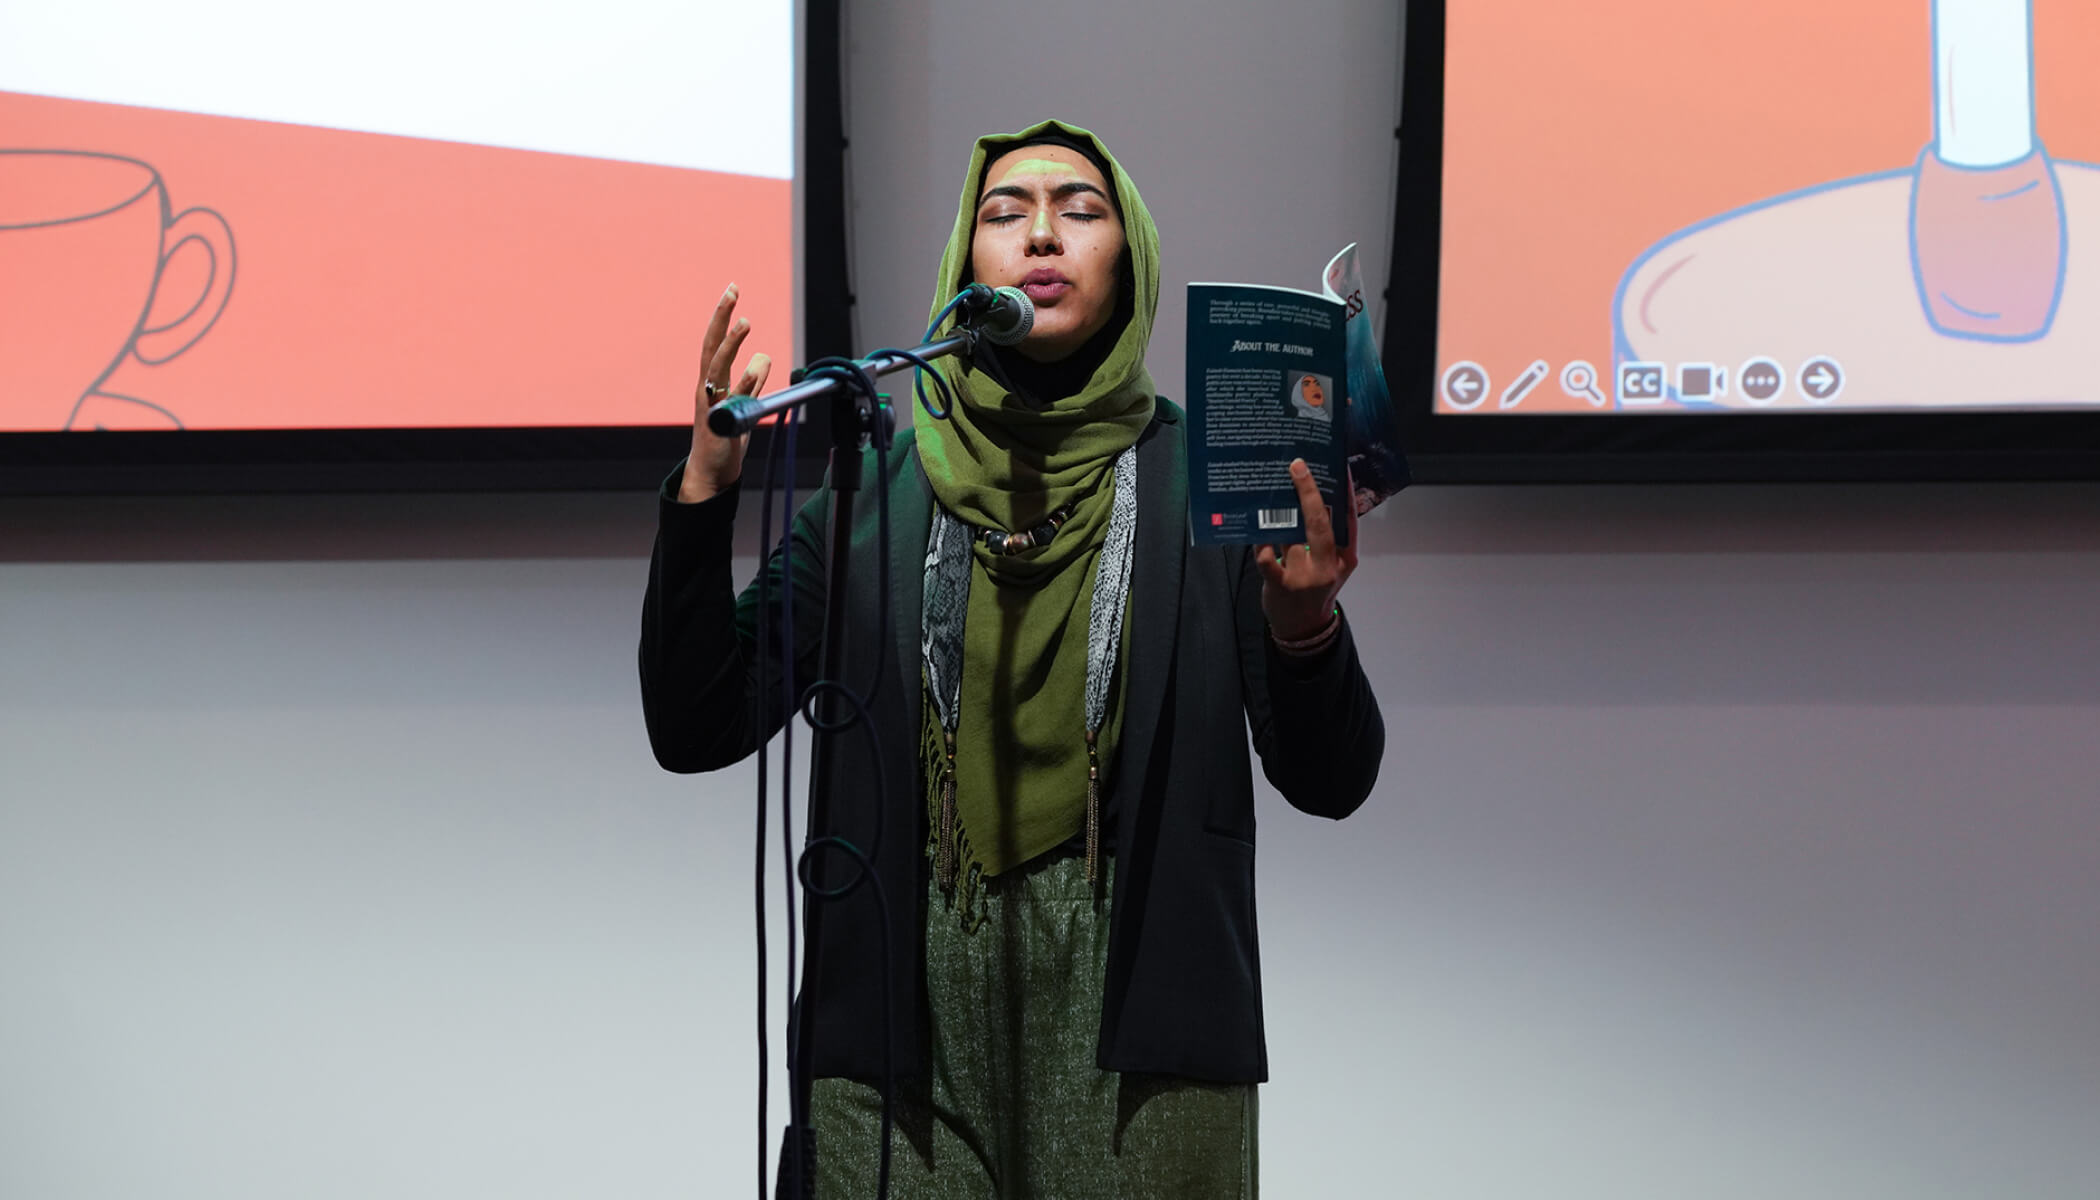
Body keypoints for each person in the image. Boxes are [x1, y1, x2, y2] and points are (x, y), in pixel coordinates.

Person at [640, 119, 1384, 1198]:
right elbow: (695, 722)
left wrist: (1304, 624)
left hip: (1142, 1022)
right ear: (964, 267)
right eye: (1004, 214)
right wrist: (706, 492)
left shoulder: (1206, 487)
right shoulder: (872, 497)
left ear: (1128, 262)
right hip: (898, 1023)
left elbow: (1332, 780)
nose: (1041, 233)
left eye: (1081, 212)